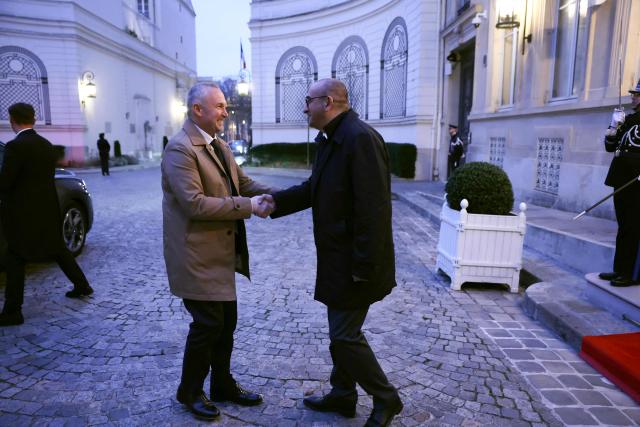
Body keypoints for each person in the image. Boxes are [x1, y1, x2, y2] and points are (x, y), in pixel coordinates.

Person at [268, 79, 403, 427]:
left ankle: (386, 397)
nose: (304, 107)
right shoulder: (331, 139)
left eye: (308, 101)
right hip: (337, 260)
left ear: (327, 102)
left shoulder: (360, 139)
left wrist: (363, 267)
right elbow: (316, 188)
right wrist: (276, 202)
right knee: (339, 332)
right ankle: (343, 394)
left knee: (344, 335)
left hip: (357, 265)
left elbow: (374, 211)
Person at [161, 83, 276, 421]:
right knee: (208, 324)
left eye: (226, 107)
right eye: (221, 106)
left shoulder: (219, 145)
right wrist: (249, 207)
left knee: (227, 323)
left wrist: (288, 197)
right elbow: (195, 204)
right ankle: (189, 390)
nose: (227, 112)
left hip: (218, 255)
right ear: (198, 110)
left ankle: (222, 385)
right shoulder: (180, 150)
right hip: (195, 255)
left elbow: (245, 184)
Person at [0, 103, 93, 327]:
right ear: (33, 119)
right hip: (47, 210)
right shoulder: (45, 145)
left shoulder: (15, 147)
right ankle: (82, 286)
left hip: (22, 213)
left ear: (13, 120)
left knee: (15, 257)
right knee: (59, 250)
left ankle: (13, 311)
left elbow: (6, 182)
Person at [599, 79, 640, 287]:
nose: (633, 96)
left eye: (637, 94)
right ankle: (619, 269)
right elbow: (609, 146)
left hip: (636, 182)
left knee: (633, 227)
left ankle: (629, 274)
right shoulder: (628, 120)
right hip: (621, 178)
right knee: (624, 226)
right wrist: (614, 125)